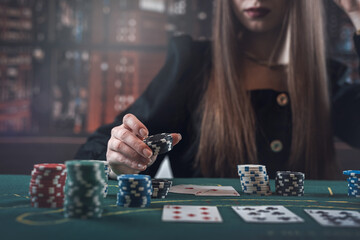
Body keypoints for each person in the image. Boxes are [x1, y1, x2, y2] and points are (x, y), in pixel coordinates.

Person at [75, 0, 360, 180]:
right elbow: (102, 145)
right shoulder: (193, 63)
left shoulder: (327, 75)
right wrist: (119, 158)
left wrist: (357, 13)